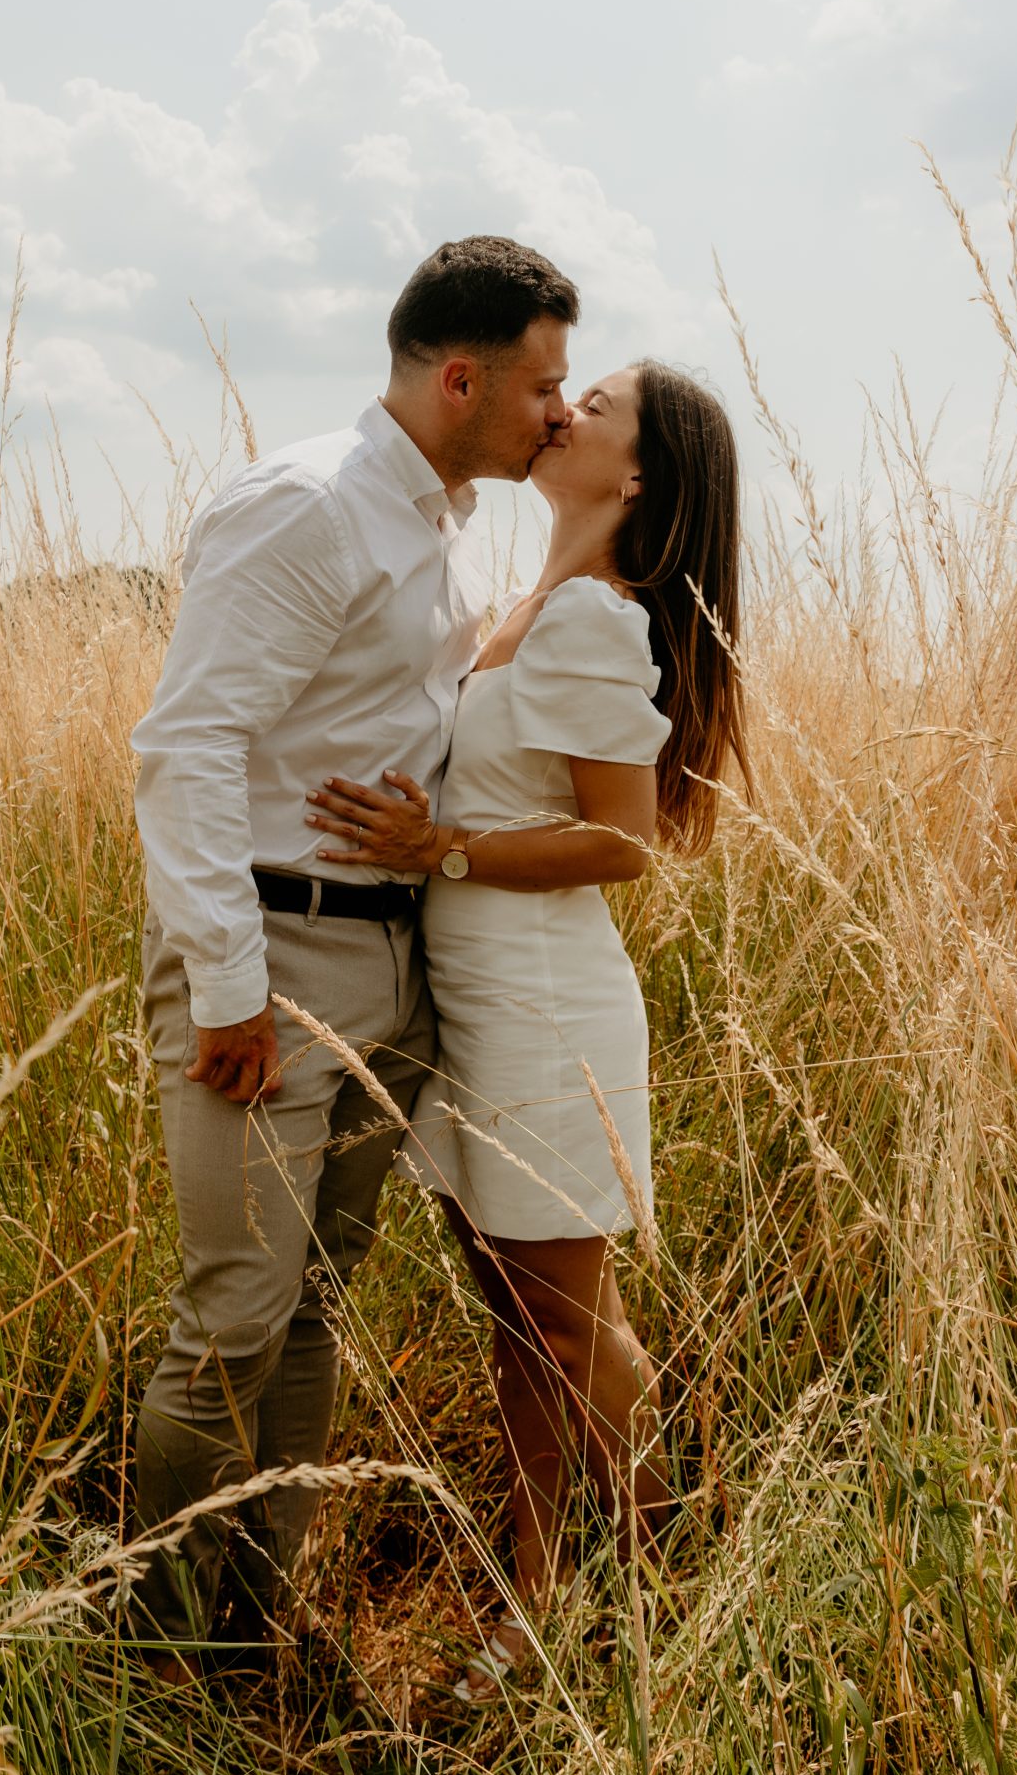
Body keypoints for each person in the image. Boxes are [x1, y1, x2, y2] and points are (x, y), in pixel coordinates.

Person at [126, 234, 578, 1670]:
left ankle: (256, 1619)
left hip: (385, 960)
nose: (558, 414)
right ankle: (157, 1647)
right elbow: (185, 742)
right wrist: (231, 987)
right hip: (270, 954)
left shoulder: (436, 523)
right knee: (232, 1322)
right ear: (461, 379)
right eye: (543, 387)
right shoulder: (309, 506)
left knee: (314, 1307)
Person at [307, 360, 749, 1701]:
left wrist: (441, 846)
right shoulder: (524, 608)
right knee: (514, 1312)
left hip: (546, 1007)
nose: (563, 411)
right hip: (478, 1000)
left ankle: (644, 1585)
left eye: (596, 405)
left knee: (563, 1325)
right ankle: (540, 1591)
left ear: (635, 480)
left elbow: (622, 844)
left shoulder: (595, 625)